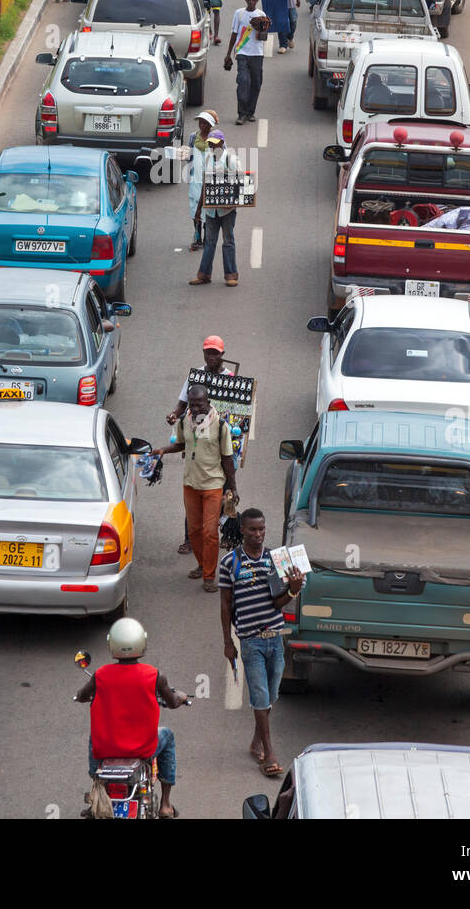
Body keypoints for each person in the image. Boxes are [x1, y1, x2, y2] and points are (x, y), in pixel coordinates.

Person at [219, 508, 304, 780]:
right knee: (259, 696)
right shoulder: (229, 563)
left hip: (275, 640)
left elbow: (278, 602)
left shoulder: (276, 560)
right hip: (251, 642)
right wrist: (227, 642)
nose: (258, 534)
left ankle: (256, 741)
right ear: (242, 530)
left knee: (271, 695)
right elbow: (225, 604)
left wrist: (293, 588)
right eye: (253, 530)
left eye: (262, 529)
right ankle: (270, 753)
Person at [75, 617, 187, 819]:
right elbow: (172, 701)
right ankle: (166, 804)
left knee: (94, 737)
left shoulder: (100, 675)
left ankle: (96, 793)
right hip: (142, 749)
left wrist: (81, 697)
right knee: (167, 736)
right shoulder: (155, 676)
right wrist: (182, 696)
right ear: (141, 642)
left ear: (112, 644)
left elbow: (82, 695)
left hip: (107, 749)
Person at [153, 382, 238, 587]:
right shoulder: (184, 421)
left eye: (200, 404)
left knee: (210, 532)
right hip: (190, 483)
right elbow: (182, 444)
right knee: (194, 531)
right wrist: (162, 450)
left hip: (213, 485)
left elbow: (227, 458)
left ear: (208, 402)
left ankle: (209, 576)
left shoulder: (221, 426)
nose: (196, 408)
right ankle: (202, 564)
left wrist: (233, 488)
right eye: (192, 404)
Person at [167, 330, 233, 554]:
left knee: (224, 491)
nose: (211, 358)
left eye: (215, 353)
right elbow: (182, 403)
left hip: (220, 438)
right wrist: (175, 415)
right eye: (208, 353)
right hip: (197, 438)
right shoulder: (194, 376)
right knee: (194, 489)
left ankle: (226, 533)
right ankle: (189, 537)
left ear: (222, 354)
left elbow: (240, 414)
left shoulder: (231, 377)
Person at [189, 130, 243, 287]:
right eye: (210, 143)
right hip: (211, 210)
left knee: (228, 241)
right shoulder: (208, 158)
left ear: (221, 142)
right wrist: (199, 209)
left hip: (227, 211)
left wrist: (232, 202)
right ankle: (204, 274)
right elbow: (205, 185)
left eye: (214, 142)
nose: (211, 144)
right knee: (210, 242)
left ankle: (231, 275)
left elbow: (241, 182)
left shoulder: (231, 158)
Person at [225, 0, 269, 125]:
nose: (251, 1)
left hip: (257, 54)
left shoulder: (261, 14)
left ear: (257, 1)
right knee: (244, 82)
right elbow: (234, 34)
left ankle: (250, 112)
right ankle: (241, 114)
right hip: (242, 53)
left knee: (256, 84)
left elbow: (264, 37)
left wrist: (261, 28)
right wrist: (228, 54)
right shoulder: (239, 14)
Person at [185, 109, 218, 251]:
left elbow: (223, 156)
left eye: (205, 123)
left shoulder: (216, 138)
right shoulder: (193, 137)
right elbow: (189, 156)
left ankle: (206, 239)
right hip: (196, 178)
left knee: (208, 210)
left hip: (210, 179)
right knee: (195, 210)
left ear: (210, 125)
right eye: (200, 122)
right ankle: (198, 237)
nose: (201, 125)